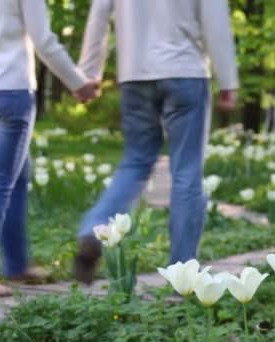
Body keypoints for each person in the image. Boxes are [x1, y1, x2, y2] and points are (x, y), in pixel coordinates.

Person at [75, 0, 239, 284]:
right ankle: (183, 276)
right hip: (185, 71)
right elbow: (215, 19)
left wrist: (89, 73)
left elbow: (99, 14)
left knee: (135, 162)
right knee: (187, 171)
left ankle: (93, 229)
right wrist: (227, 80)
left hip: (134, 74)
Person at [0, 0, 99, 297]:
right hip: (10, 90)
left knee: (17, 174)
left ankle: (16, 265)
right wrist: (78, 83)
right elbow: (42, 38)